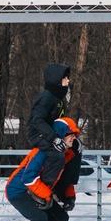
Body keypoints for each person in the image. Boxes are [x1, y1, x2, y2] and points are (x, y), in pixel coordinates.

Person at [6, 116, 83, 221]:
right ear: (60, 136)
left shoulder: (66, 154)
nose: (73, 139)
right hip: (18, 191)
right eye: (70, 135)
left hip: (38, 191)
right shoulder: (42, 151)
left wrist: (69, 196)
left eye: (75, 136)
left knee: (61, 217)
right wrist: (47, 196)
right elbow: (29, 178)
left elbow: (64, 179)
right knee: (39, 218)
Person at [25, 63, 73, 207]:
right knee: (57, 156)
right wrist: (54, 139)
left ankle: (63, 191)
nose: (68, 81)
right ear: (56, 79)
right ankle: (39, 191)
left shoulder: (59, 99)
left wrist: (69, 136)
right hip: (38, 135)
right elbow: (37, 120)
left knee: (73, 152)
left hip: (51, 134)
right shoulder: (46, 97)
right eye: (65, 78)